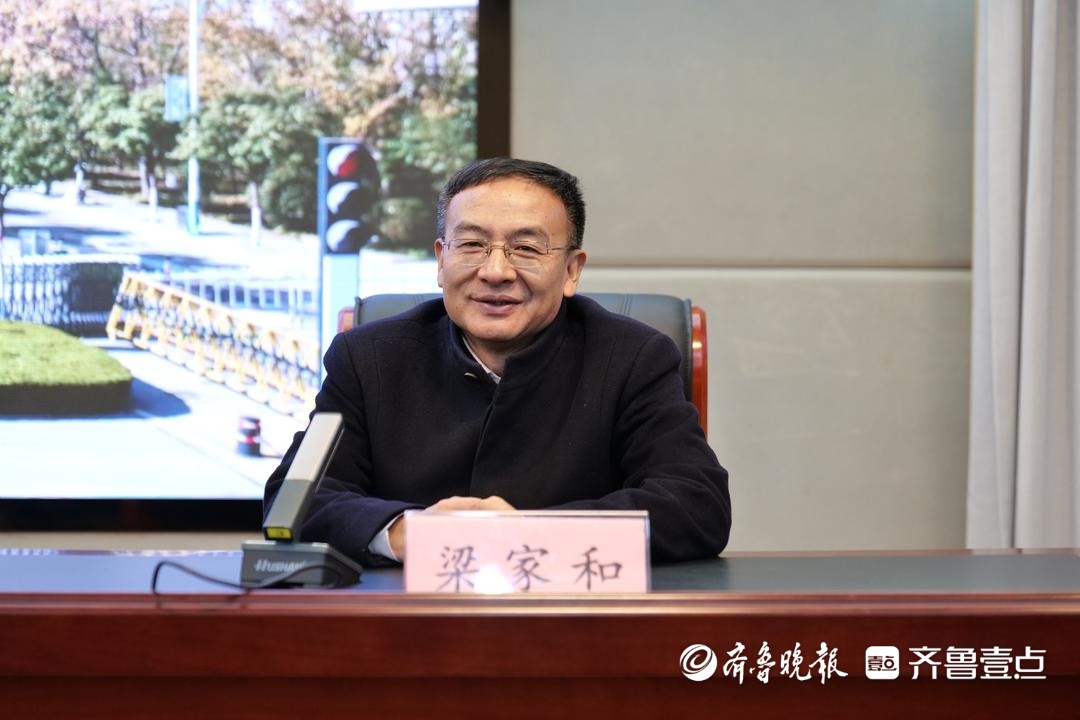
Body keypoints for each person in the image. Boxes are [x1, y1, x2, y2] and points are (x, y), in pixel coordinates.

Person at [264, 158, 731, 565]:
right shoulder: (368, 358)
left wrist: (526, 534)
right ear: (441, 260)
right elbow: (295, 499)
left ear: (571, 271)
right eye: (471, 245)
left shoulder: (632, 358)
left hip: (568, 618)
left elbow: (696, 504)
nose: (495, 271)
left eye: (526, 248)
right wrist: (406, 532)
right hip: (406, 620)